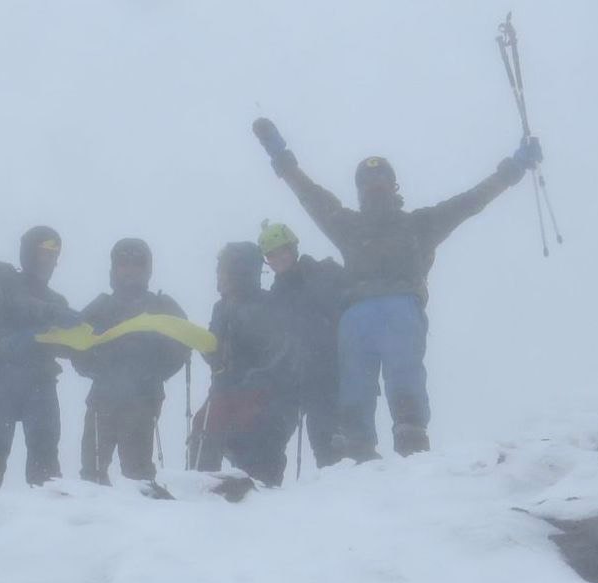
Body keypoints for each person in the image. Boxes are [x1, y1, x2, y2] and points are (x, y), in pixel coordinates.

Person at [259, 126, 541, 459]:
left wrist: (282, 159)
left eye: (375, 182)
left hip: (370, 312)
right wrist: (513, 169)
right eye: (367, 183)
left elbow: (311, 195)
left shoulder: (359, 224)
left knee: (369, 381)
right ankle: (391, 443)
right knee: (385, 379)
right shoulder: (411, 225)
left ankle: (371, 446)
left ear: (388, 186)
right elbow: (469, 202)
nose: (372, 187)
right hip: (389, 309)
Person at [71, 238, 190, 488]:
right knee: (93, 472)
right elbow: (77, 345)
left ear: (147, 270)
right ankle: (96, 522)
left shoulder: (160, 306)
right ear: (114, 269)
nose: (130, 269)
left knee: (137, 473)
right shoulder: (101, 306)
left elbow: (182, 344)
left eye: (137, 264)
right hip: (105, 397)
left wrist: (154, 372)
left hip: (141, 400)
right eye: (123, 263)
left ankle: (136, 523)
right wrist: (93, 367)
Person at [0, 225, 74, 490]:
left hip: (41, 381)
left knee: (45, 451)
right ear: (29, 253)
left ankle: (50, 514)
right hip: (3, 378)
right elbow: (17, 304)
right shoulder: (5, 280)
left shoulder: (56, 300)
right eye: (44, 253)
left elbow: (62, 344)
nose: (50, 261)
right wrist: (53, 317)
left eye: (54, 255)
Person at [190, 241, 299, 488]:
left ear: (238, 272)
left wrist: (255, 378)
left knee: (255, 445)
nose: (218, 277)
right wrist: (213, 353)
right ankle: (201, 488)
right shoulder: (222, 307)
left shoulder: (270, 305)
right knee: (204, 428)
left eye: (222, 270)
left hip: (265, 396)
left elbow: (281, 352)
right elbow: (215, 350)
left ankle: (257, 495)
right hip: (229, 392)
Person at [258, 220, 349, 470]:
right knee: (323, 438)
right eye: (271, 255)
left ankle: (344, 486)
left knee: (332, 435)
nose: (278, 258)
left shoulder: (324, 273)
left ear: (293, 248)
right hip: (305, 374)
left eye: (281, 251)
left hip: (332, 366)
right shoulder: (276, 297)